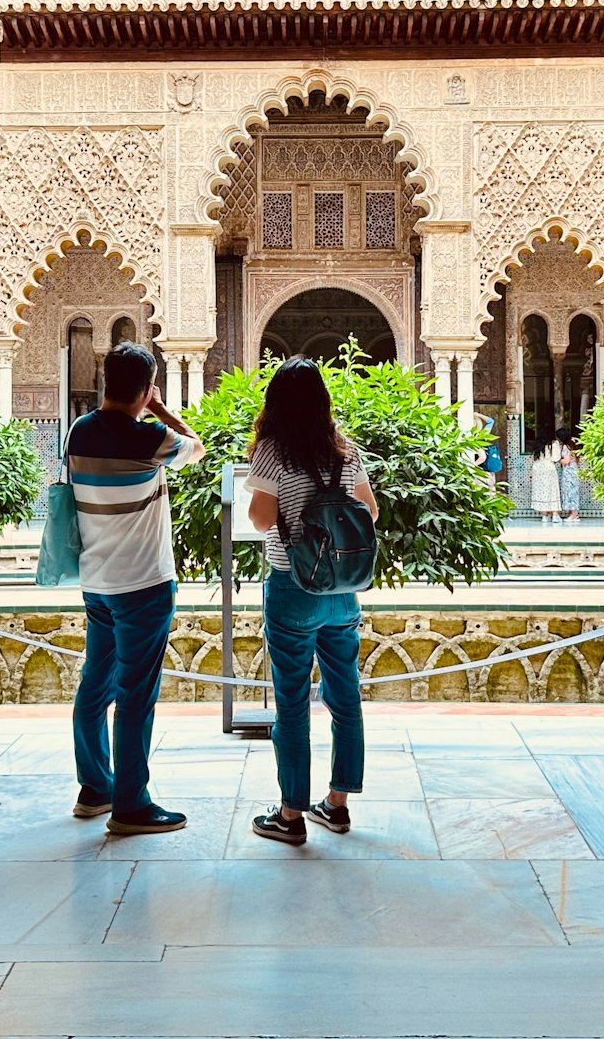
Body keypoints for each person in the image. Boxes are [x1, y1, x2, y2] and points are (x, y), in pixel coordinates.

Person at [67, 342, 205, 834]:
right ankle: (130, 804)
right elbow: (198, 447)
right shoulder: (150, 438)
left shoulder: (78, 432)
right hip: (144, 583)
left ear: (105, 381)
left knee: (95, 683)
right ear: (145, 389)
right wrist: (162, 408)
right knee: (135, 694)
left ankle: (94, 788)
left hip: (97, 582)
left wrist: (145, 406)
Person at [243, 357, 380, 845]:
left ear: (275, 403)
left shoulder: (273, 452)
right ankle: (337, 805)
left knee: (293, 704)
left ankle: (290, 815)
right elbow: (370, 510)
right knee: (345, 697)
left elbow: (261, 520)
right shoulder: (344, 452)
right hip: (342, 591)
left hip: (293, 587)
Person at [530, 432, 562, 523]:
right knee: (552, 490)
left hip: (537, 468)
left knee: (541, 491)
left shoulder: (537, 444)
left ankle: (544, 515)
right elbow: (556, 458)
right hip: (549, 468)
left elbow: (534, 458)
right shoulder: (553, 444)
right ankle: (555, 515)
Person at [556, 428, 582, 524]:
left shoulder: (566, 447)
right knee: (573, 492)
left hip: (569, 473)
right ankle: (573, 513)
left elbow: (566, 461)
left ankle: (574, 514)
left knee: (570, 492)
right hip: (573, 472)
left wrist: (559, 460)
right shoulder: (571, 446)